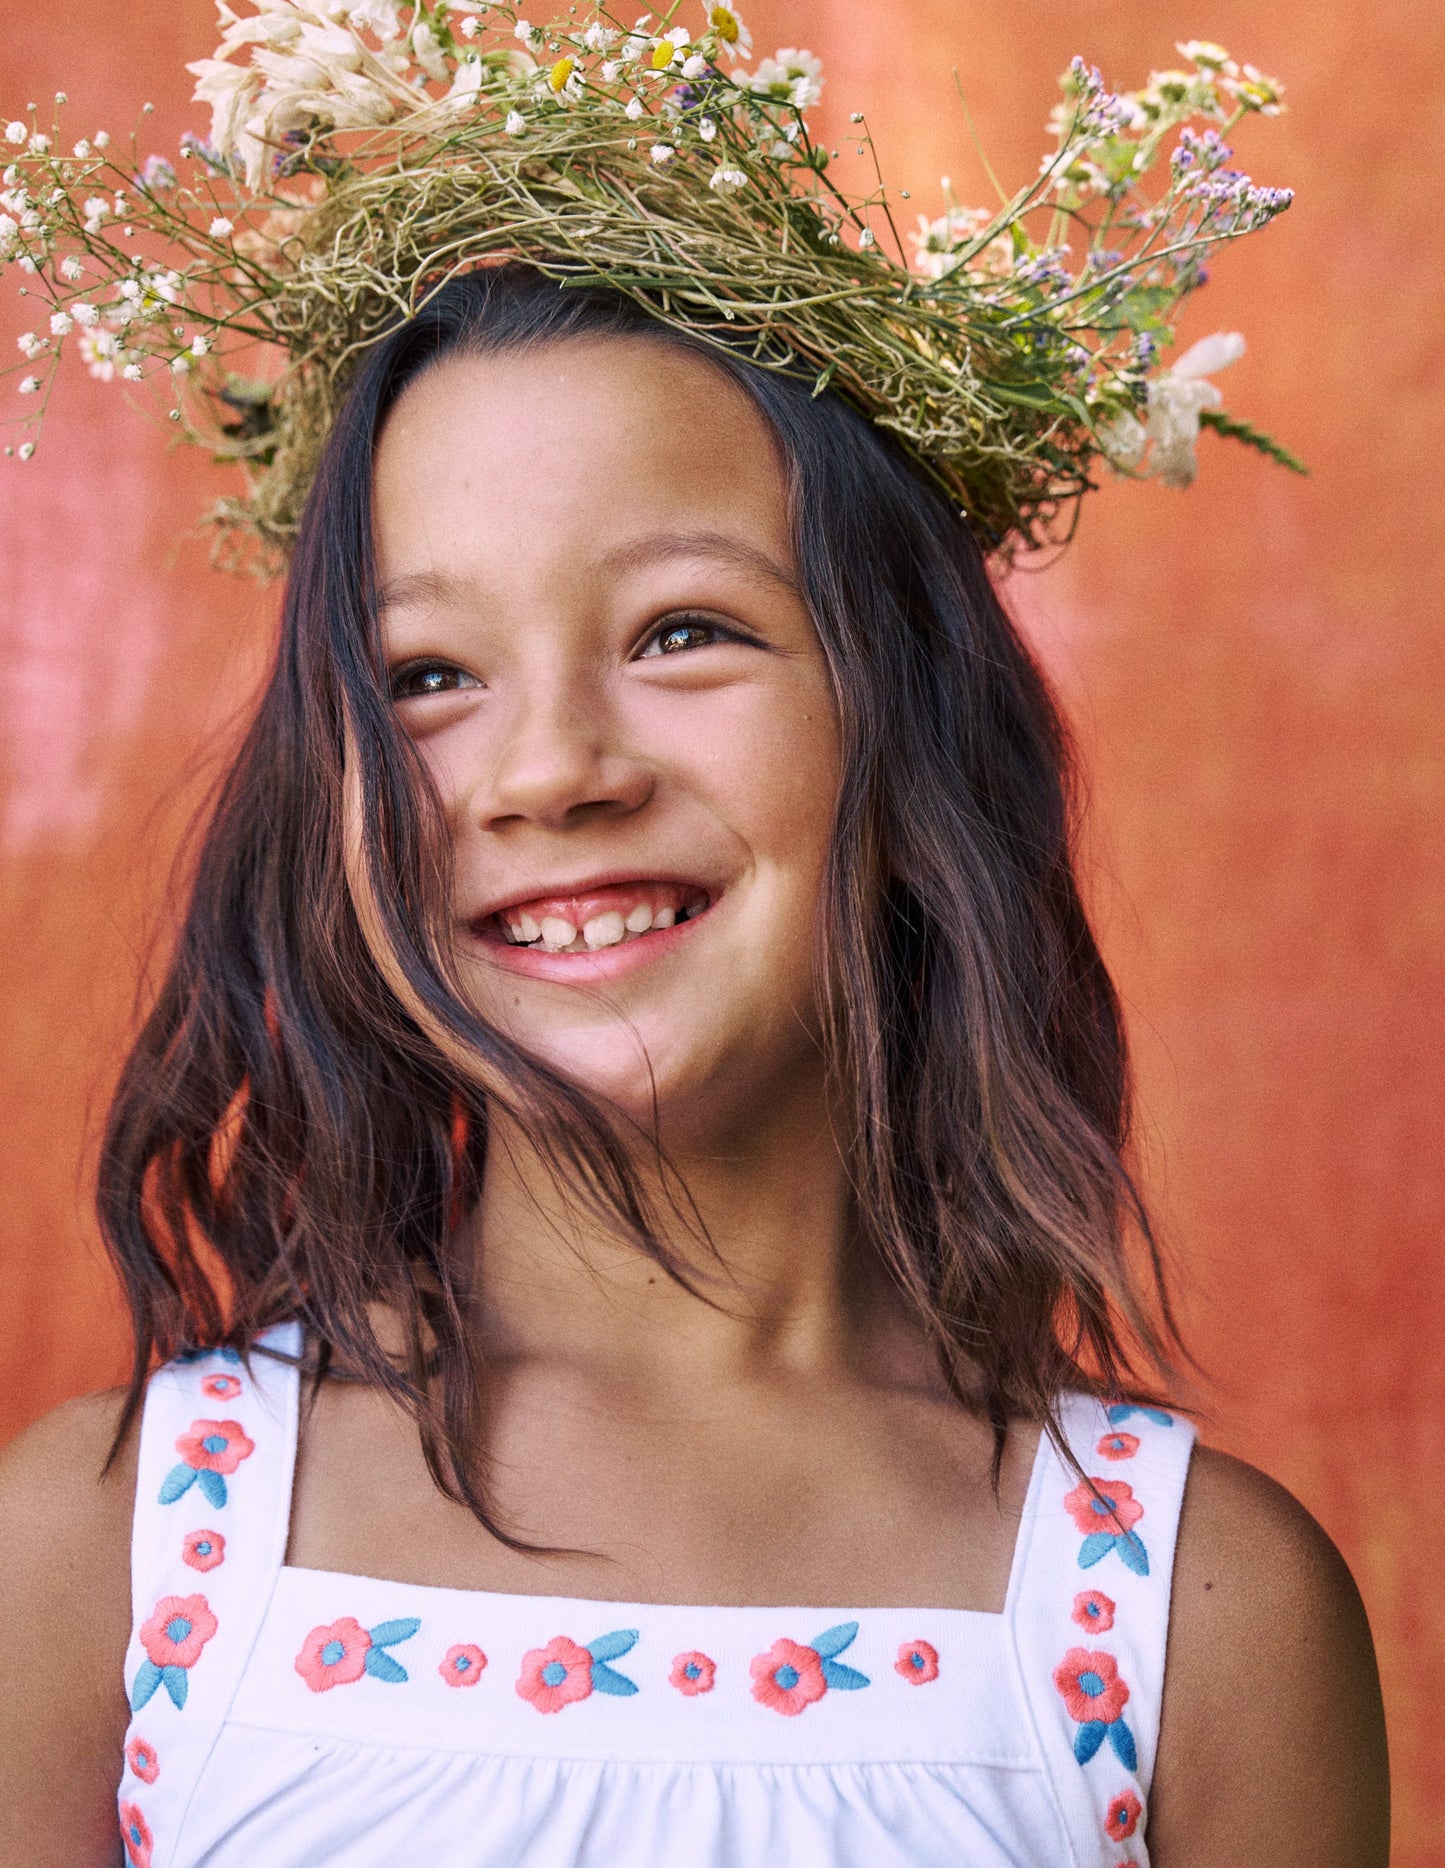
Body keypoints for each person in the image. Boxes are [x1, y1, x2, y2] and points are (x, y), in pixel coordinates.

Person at [0, 9, 1386, 1866]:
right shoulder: (109, 1553)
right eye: (425, 674)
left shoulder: (1183, 1617)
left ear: (907, 723)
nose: (548, 770)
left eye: (681, 633)